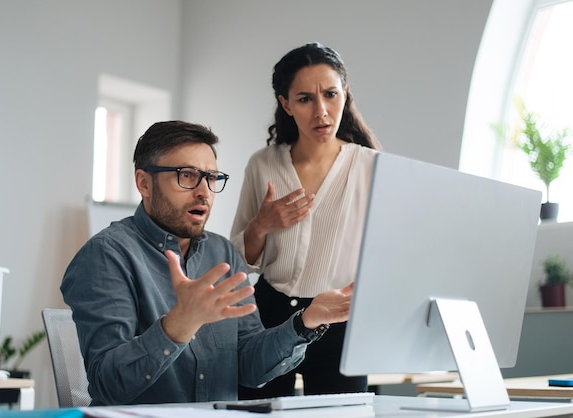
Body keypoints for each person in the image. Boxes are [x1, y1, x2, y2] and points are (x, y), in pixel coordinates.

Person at [60, 120, 354, 406]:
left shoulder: (222, 253)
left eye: (211, 178)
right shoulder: (105, 256)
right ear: (144, 183)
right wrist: (178, 325)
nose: (203, 192)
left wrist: (306, 322)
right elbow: (107, 384)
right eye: (186, 176)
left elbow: (249, 367)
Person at [230, 42, 382, 399]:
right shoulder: (262, 165)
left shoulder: (372, 168)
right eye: (304, 99)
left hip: (339, 322)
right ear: (285, 104)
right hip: (268, 317)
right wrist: (261, 225)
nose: (321, 112)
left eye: (330, 94)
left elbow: (388, 255)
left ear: (345, 93)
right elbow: (237, 260)